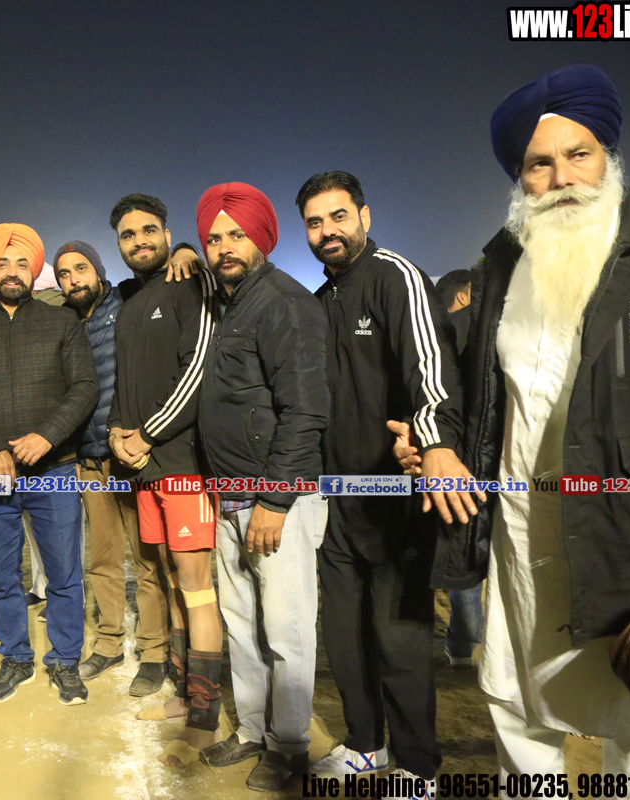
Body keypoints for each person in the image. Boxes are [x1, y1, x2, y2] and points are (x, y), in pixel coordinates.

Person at [403, 62, 630, 776]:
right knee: (516, 703)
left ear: (609, 154)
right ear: (520, 177)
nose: (563, 177)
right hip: (518, 534)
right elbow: (468, 386)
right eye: (539, 164)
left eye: (579, 154)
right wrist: (439, 444)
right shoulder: (502, 264)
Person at [301, 170, 466, 785]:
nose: (328, 231)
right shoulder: (321, 301)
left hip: (394, 496)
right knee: (345, 636)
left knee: (399, 638)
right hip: (335, 499)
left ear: (364, 217)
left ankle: (417, 768)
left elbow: (432, 372)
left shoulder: (396, 276)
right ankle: (365, 744)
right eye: (315, 222)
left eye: (338, 216)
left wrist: (435, 439)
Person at [194, 183, 331, 791]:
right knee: (242, 623)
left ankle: (290, 746)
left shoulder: (283, 303)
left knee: (286, 629)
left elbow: (305, 410)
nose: (225, 246)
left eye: (237, 234)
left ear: (262, 238)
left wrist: (275, 500)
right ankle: (252, 730)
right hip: (230, 495)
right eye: (214, 237)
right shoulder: (231, 304)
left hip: (277, 500)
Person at [0, 223, 99, 706]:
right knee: (2, 575)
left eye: (22, 263)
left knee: (64, 574)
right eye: (3, 263)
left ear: (35, 270)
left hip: (54, 470)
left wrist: (46, 436)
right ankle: (15, 657)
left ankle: (65, 661)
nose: (12, 272)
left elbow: (84, 387)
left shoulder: (62, 323)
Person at [105, 194, 222, 767]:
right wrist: (115, 431)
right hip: (144, 467)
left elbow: (198, 367)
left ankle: (205, 718)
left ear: (168, 234)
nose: (139, 241)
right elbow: (124, 379)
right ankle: (183, 694)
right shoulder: (131, 302)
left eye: (149, 230)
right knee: (174, 582)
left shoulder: (190, 283)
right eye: (128, 235)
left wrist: (147, 433)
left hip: (182, 464)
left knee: (197, 586)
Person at [54, 240, 170, 694]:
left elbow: (163, 275)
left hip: (131, 457)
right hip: (88, 460)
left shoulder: (126, 298)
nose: (73, 279)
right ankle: (108, 643)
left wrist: (182, 251)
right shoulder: (62, 321)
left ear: (98, 270)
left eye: (81, 268)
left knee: (146, 557)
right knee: (102, 560)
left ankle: (155, 651)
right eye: (64, 274)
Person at [433, 266, 482, 668]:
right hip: (477, 460)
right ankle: (469, 643)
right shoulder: (476, 331)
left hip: (440, 460)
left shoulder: (432, 335)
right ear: (464, 296)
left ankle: (461, 643)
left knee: (455, 552)